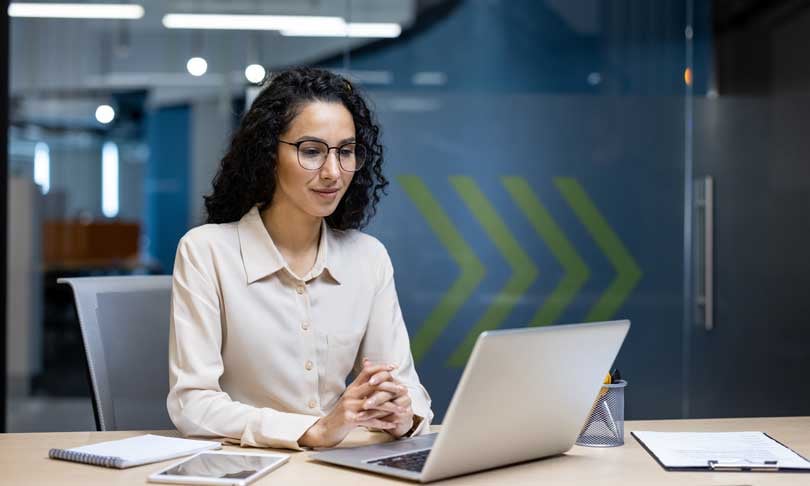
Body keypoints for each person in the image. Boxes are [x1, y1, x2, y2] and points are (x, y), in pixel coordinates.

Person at [167, 67, 433, 450]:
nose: (332, 172)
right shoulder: (205, 251)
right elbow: (191, 403)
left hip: (338, 467)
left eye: (345, 152)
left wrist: (401, 414)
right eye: (311, 152)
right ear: (268, 154)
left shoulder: (368, 257)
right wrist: (313, 430)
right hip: (245, 467)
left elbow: (406, 386)